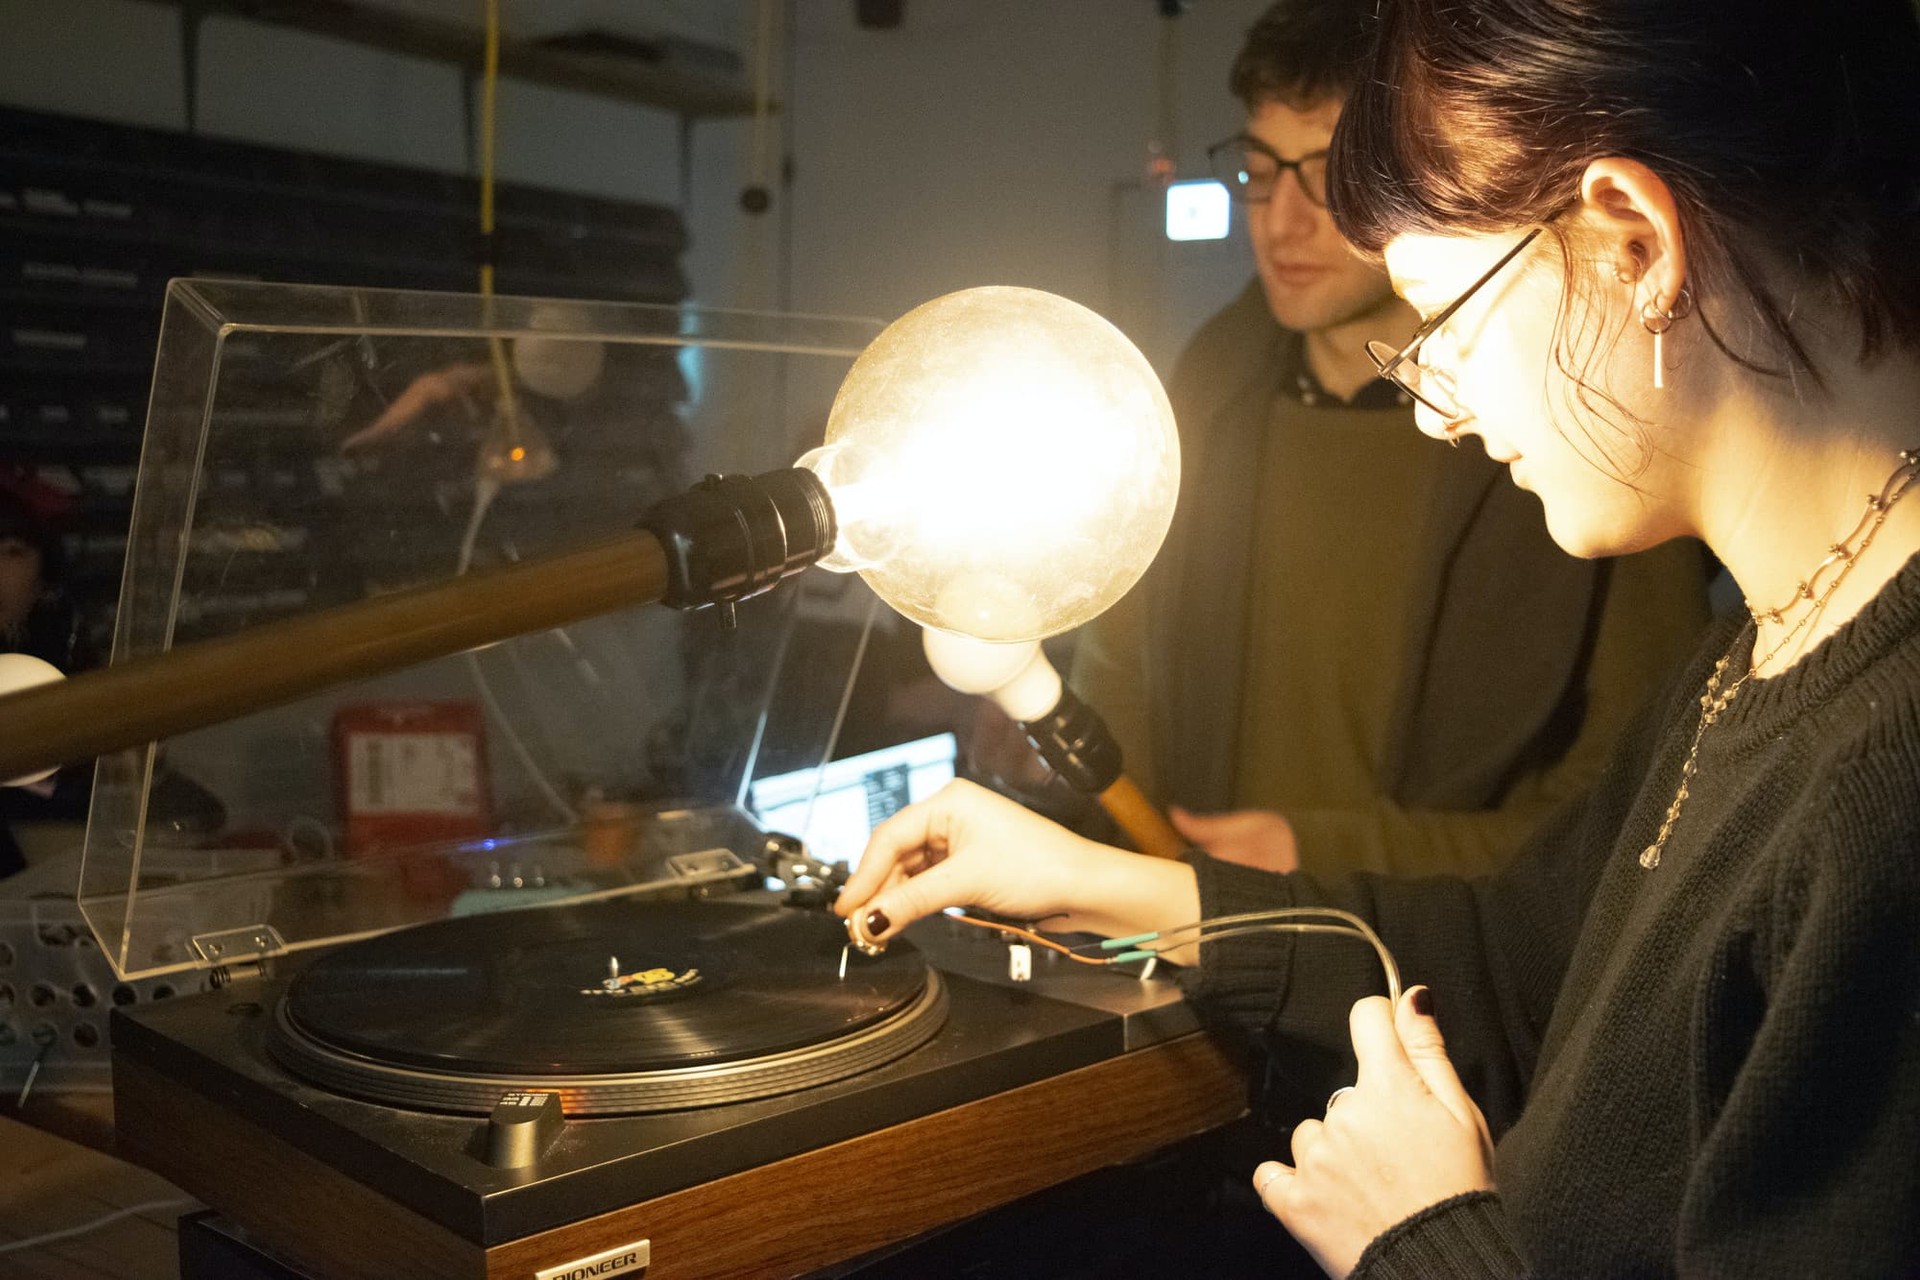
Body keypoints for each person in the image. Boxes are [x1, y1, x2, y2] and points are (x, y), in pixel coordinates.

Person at [836, 0, 1920, 1273]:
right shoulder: (1766, 650)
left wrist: (1423, 1237)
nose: (1436, 411)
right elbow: (1520, 967)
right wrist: (1122, 888)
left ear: (1635, 243)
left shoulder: (1883, 786)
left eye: (1444, 317)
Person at [1069, 0, 1713, 879]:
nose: (1282, 221)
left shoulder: (1577, 426)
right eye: (1261, 168)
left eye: (1328, 173)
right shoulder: (1207, 388)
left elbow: (1630, 804)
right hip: (1199, 946)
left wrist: (1328, 851)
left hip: (1446, 979)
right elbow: (1122, 664)